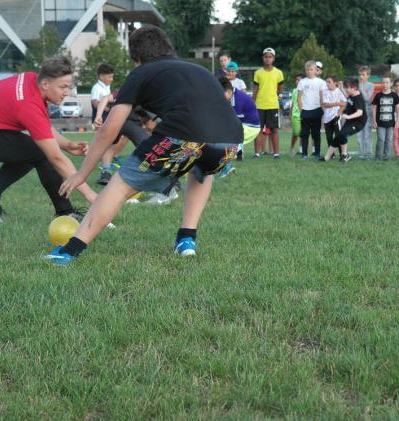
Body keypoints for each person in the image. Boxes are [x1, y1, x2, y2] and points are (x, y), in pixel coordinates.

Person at [49, 25, 242, 264]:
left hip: (183, 136)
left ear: (137, 59)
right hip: (230, 141)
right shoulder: (198, 70)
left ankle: (70, 251)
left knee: (119, 187)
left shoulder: (141, 73)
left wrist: (82, 173)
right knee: (202, 166)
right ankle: (186, 239)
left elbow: (110, 129)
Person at [0, 57, 97, 223]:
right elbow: (56, 158)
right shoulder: (29, 104)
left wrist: (67, 144)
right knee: (40, 153)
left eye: (69, 87)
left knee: (32, 152)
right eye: (63, 87)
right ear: (45, 84)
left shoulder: (31, 78)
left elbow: (41, 126)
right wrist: (90, 195)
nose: (67, 92)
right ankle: (66, 212)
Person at [217, 76, 260, 176]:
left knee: (225, 138)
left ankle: (233, 155)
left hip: (251, 127)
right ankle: (237, 151)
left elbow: (233, 120)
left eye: (220, 94)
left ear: (228, 91)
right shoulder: (232, 95)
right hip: (244, 125)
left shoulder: (238, 99)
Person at [321, 77, 366, 163]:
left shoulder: (358, 98)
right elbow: (346, 97)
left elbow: (360, 112)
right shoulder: (351, 95)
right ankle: (326, 157)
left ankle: (345, 155)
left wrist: (348, 117)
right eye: (345, 87)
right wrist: (341, 88)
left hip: (358, 122)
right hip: (350, 121)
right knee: (338, 136)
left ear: (355, 88)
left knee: (342, 134)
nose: (346, 89)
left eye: (347, 87)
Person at [252, 47, 284, 158]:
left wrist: (278, 97)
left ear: (273, 58)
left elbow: (281, 87)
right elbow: (255, 89)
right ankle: (256, 153)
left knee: (274, 129)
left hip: (272, 105)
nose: (268, 59)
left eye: (270, 57)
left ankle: (276, 153)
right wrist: (252, 103)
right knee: (258, 129)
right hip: (259, 105)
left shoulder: (279, 73)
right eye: (266, 56)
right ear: (263, 58)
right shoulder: (258, 73)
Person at [90, 63, 117, 185]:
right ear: (101, 76)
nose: (111, 79)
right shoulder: (97, 87)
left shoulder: (107, 87)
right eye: (109, 77)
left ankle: (105, 170)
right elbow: (95, 102)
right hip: (100, 119)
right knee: (103, 144)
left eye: (112, 77)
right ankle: (103, 170)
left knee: (108, 144)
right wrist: (106, 108)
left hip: (107, 118)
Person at [297, 60, 326, 159]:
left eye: (311, 69)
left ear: (316, 70)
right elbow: (299, 97)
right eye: (308, 69)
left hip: (317, 110)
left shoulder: (321, 82)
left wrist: (322, 110)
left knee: (316, 134)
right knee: (304, 134)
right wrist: (301, 109)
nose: (309, 71)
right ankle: (304, 154)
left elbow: (322, 97)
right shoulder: (302, 82)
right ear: (306, 71)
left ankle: (317, 153)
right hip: (305, 111)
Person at [371, 76, 399, 161]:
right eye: (383, 82)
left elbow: (398, 108)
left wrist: (397, 121)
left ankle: (386, 157)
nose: (385, 84)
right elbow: (374, 108)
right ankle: (378, 156)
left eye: (387, 82)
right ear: (381, 84)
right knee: (380, 139)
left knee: (389, 140)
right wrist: (374, 121)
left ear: (391, 83)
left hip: (391, 123)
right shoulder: (378, 95)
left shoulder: (394, 95)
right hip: (380, 123)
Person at [321, 75, 346, 158]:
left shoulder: (339, 91)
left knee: (339, 135)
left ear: (335, 83)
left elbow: (345, 103)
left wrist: (340, 111)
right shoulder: (325, 92)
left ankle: (342, 154)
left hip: (336, 117)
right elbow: (326, 104)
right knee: (329, 137)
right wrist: (337, 103)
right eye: (326, 82)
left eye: (329, 82)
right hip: (327, 118)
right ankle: (331, 154)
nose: (327, 84)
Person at [356, 66, 374, 159]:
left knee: (367, 135)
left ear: (368, 75)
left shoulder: (370, 85)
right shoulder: (356, 85)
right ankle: (361, 154)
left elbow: (367, 98)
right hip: (357, 113)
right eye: (360, 75)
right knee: (359, 135)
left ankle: (368, 153)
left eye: (363, 75)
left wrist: (361, 87)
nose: (361, 77)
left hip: (367, 113)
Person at [290, 74, 303, 156]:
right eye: (296, 80)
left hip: (304, 114)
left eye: (299, 80)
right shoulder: (294, 90)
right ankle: (292, 147)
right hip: (295, 114)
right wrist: (290, 113)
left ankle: (302, 150)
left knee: (303, 133)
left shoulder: (306, 90)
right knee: (296, 132)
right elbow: (293, 102)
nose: (297, 81)